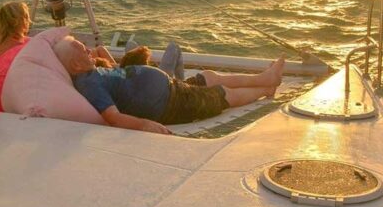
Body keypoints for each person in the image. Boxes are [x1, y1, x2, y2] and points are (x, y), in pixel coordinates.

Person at [53, 36, 285, 134]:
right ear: (75, 65)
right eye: (81, 49)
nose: (87, 48)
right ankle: (265, 89)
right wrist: (145, 125)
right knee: (222, 94)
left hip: (172, 88)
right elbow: (113, 117)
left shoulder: (92, 72)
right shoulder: (89, 84)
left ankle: (266, 78)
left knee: (208, 76)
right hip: (170, 104)